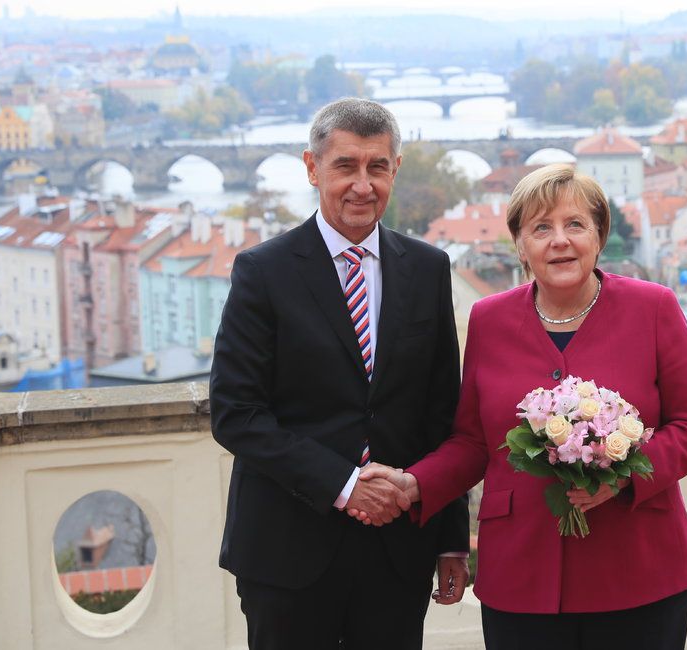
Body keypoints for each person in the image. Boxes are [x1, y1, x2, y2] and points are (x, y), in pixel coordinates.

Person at [356, 164, 687, 649]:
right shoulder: (489, 319)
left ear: (599, 235)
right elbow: (471, 441)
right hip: (521, 571)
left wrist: (622, 476)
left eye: (575, 224)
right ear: (520, 245)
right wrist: (416, 483)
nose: (560, 241)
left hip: (639, 566)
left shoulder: (653, 307)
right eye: (541, 228)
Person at [210, 97, 469, 650]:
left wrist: (450, 539)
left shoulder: (427, 269)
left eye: (377, 167)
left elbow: (443, 413)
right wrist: (345, 486)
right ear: (312, 168)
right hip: (288, 551)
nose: (362, 184)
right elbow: (237, 414)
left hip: (398, 553)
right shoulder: (263, 272)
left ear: (395, 170)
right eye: (345, 166)